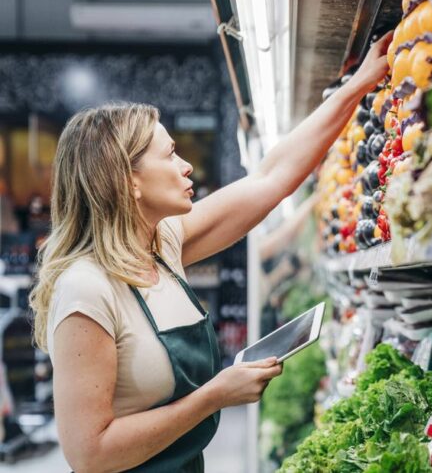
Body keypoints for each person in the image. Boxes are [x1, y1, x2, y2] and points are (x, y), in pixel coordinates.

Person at [28, 33, 392, 472]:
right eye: (170, 154)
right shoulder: (86, 289)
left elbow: (269, 178)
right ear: (130, 181)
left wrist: (360, 84)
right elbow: (90, 454)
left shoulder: (161, 244)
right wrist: (214, 396)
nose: (186, 166)